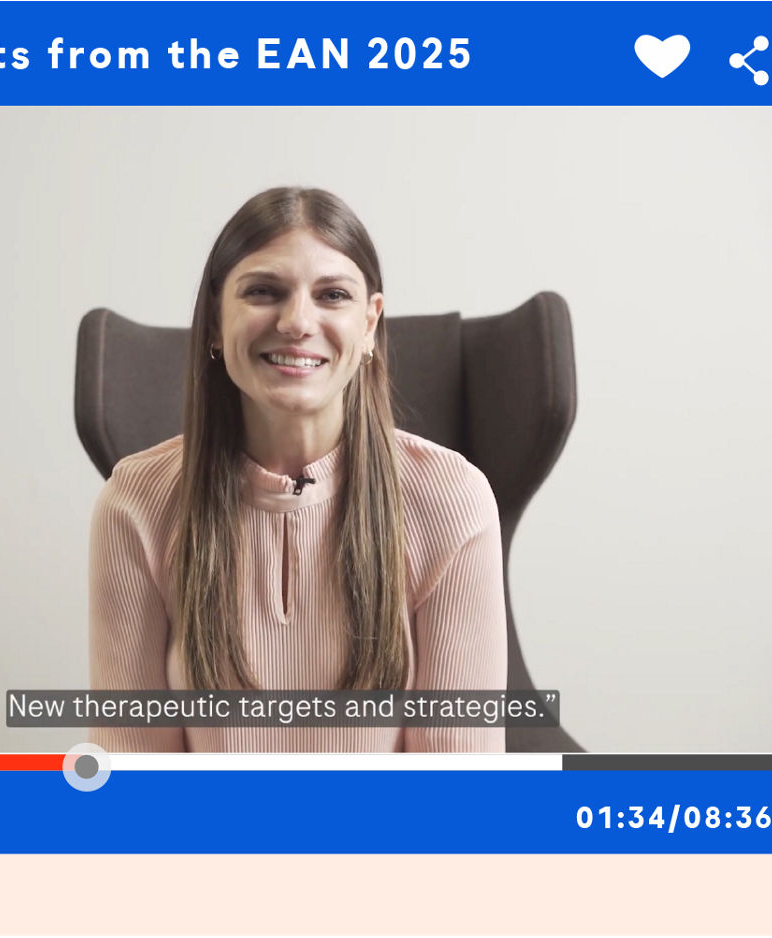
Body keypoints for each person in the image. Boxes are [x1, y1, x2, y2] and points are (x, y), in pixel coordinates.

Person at [88, 187, 507, 752]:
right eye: (264, 291)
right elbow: (132, 772)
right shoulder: (136, 502)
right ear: (215, 320)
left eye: (332, 294)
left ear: (369, 325)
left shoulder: (452, 500)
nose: (296, 322)